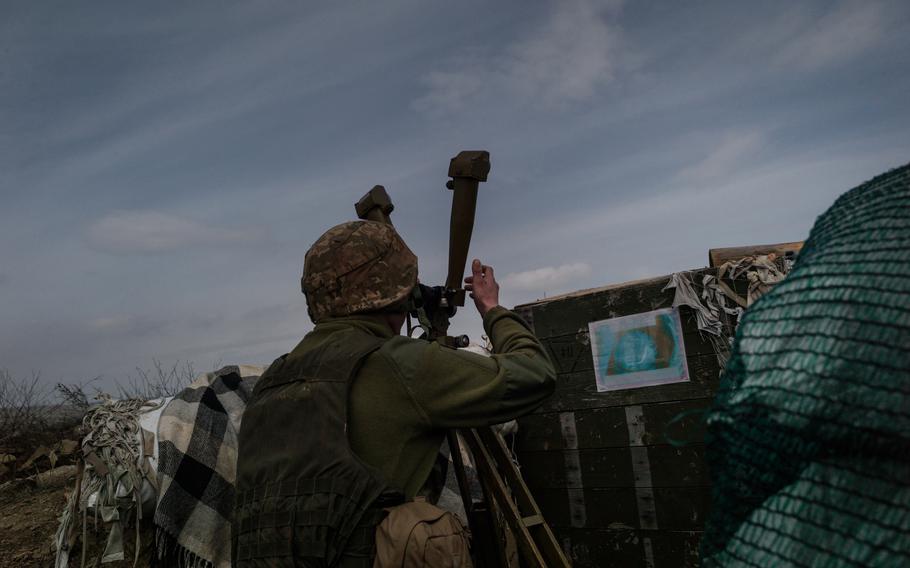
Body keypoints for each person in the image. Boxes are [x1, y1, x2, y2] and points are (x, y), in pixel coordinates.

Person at [233, 220, 556, 567]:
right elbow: (535, 373)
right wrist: (492, 309)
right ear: (396, 293)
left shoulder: (272, 382)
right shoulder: (396, 364)